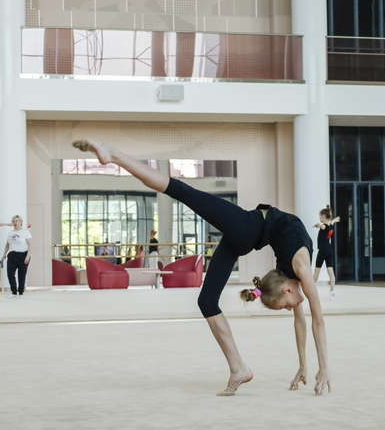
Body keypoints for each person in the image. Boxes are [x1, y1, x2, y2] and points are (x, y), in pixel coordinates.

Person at [73, 139, 330, 396]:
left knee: (207, 301)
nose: (291, 309)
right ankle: (115, 155)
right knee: (181, 191)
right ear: (286, 290)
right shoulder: (301, 269)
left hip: (246, 236)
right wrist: (325, 368)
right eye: (286, 305)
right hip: (246, 227)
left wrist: (304, 365)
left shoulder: (289, 280)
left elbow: (300, 322)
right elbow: (317, 321)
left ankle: (238, 368)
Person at [313, 205, 340, 301]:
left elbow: (322, 226)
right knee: (331, 272)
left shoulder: (324, 226)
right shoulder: (331, 226)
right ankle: (332, 291)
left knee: (317, 271)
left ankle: (311, 290)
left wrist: (318, 225)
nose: (319, 218)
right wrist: (335, 220)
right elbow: (330, 223)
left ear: (324, 217)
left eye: (320, 216)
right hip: (329, 250)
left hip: (323, 250)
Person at [2, 215, 31, 298]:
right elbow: (7, 244)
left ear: (21, 222)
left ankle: (21, 292)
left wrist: (28, 255)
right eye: (13, 221)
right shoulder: (10, 232)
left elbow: (30, 244)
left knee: (21, 274)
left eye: (16, 221)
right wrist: (4, 254)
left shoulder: (25, 232)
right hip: (12, 254)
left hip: (23, 254)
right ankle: (14, 292)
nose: (15, 223)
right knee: (10, 274)